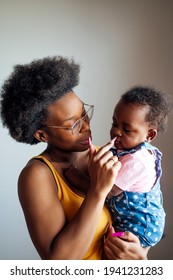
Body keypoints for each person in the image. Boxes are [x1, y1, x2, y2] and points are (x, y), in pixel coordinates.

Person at [0, 56, 148, 260]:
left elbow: (141, 215)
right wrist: (97, 190)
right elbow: (58, 263)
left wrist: (141, 257)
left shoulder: (104, 156)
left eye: (84, 114)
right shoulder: (37, 175)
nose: (87, 126)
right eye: (73, 125)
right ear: (41, 135)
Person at [105, 85, 172, 247]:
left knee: (108, 246)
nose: (116, 132)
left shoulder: (137, 161)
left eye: (126, 129)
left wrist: (79, 178)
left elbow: (108, 189)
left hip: (140, 226)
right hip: (137, 220)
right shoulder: (129, 150)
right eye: (114, 124)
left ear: (149, 135)